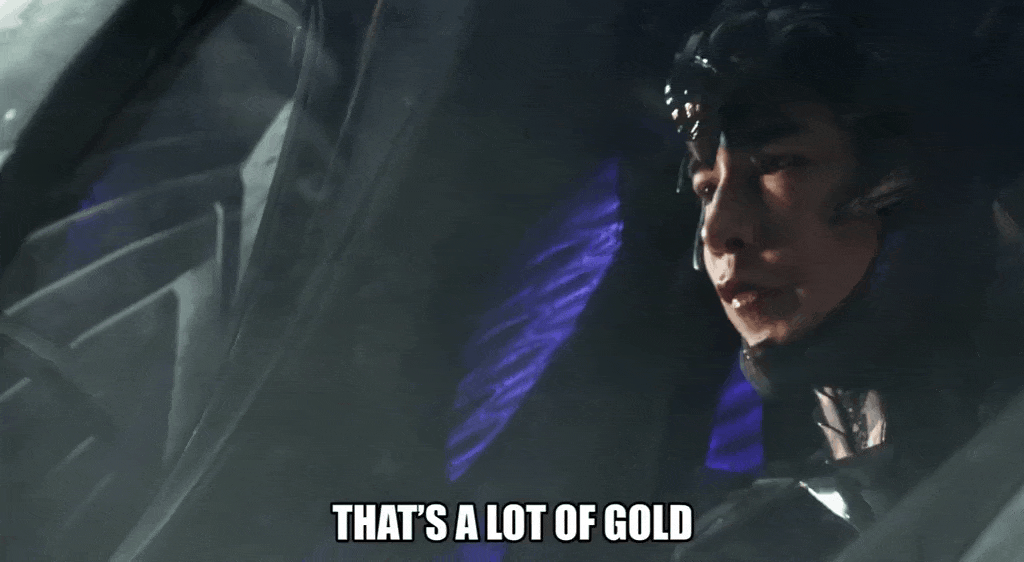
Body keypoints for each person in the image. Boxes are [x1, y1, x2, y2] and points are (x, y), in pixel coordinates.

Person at [658, 0, 1024, 559]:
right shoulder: (753, 538)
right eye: (707, 188)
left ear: (917, 178)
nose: (718, 231)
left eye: (778, 164)